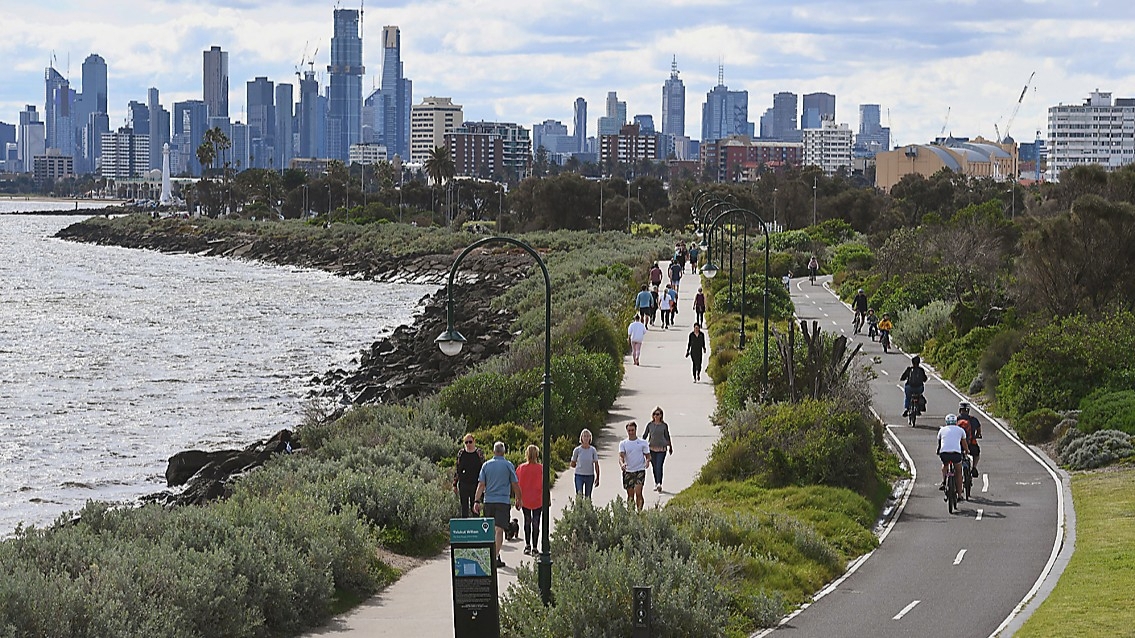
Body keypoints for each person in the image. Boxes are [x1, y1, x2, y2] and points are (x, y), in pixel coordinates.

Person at [474, 441, 521, 568]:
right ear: (504, 452)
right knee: (499, 530)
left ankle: (491, 555)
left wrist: (476, 500)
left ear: (494, 451)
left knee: (489, 530)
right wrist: (518, 499)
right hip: (503, 501)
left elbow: (481, 485)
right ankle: (495, 556)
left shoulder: (486, 465)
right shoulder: (508, 465)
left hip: (489, 501)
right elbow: (515, 484)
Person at [515, 445, 544, 556]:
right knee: (536, 522)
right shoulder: (541, 468)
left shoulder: (521, 468)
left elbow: (517, 484)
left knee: (527, 521)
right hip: (537, 498)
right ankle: (535, 547)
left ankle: (527, 545)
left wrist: (517, 499)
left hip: (525, 498)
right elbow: (544, 485)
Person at [619, 421, 651, 511]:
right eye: (629, 430)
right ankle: (631, 513)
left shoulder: (642, 443)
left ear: (636, 430)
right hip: (628, 471)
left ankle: (639, 511)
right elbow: (621, 456)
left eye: (632, 430)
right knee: (630, 494)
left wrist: (647, 461)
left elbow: (648, 455)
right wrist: (622, 464)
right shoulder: (623, 443)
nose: (631, 432)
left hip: (639, 470)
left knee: (638, 492)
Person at [937, 414, 970, 496]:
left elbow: (939, 443)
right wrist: (966, 451)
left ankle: (944, 481)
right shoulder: (961, 430)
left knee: (945, 465)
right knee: (958, 472)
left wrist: (938, 451)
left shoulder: (942, 430)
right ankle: (959, 495)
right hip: (956, 454)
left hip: (944, 453)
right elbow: (964, 444)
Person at [453, 433, 485, 518]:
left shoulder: (479, 453)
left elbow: (484, 468)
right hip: (463, 483)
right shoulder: (461, 453)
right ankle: (465, 528)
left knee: (475, 506)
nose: (468, 444)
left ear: (474, 441)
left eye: (470, 442)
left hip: (476, 484)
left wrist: (485, 484)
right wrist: (454, 484)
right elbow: (457, 469)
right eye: (466, 442)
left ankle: (476, 527)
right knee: (464, 506)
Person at [643, 408, 673, 493]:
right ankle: (656, 482)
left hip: (662, 449)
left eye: (658, 414)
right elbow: (645, 436)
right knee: (654, 467)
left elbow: (667, 436)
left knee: (659, 466)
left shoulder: (664, 426)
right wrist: (641, 446)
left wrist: (670, 446)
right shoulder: (650, 425)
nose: (656, 416)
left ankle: (659, 483)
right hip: (652, 449)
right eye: (655, 414)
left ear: (661, 415)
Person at [571, 429, 600, 497]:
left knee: (588, 496)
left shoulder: (592, 450)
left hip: (589, 475)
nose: (586, 438)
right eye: (584, 436)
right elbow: (572, 463)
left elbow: (596, 464)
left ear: (590, 438)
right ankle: (579, 507)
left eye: (587, 436)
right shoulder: (577, 450)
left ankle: (587, 507)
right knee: (579, 494)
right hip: (579, 475)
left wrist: (598, 477)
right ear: (581, 438)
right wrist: (575, 463)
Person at [957, 402, 983, 477]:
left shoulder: (956, 419)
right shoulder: (974, 420)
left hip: (958, 445)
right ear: (968, 410)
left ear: (960, 410)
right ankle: (974, 467)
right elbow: (978, 429)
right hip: (971, 444)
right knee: (976, 453)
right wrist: (978, 435)